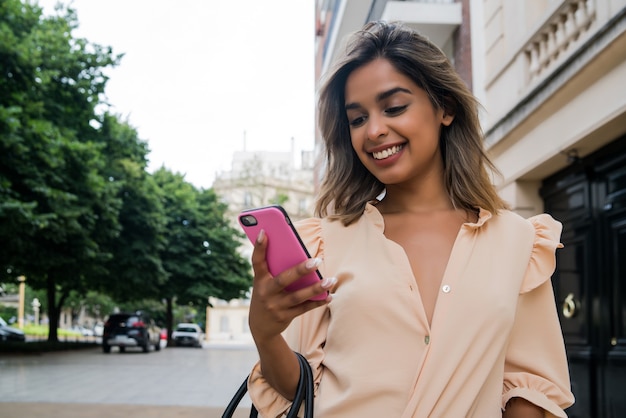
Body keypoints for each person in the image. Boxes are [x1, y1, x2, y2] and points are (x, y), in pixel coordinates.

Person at [246, 20, 575, 417]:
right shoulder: (323, 242)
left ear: (446, 108)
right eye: (357, 119)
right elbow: (301, 390)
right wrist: (265, 334)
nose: (374, 131)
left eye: (394, 107)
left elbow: (529, 388)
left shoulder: (519, 242)